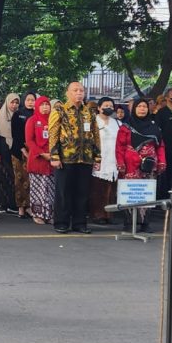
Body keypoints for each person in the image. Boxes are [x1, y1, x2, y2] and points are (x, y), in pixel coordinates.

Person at [49, 82, 100, 234]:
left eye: (81, 90)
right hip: (65, 158)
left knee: (82, 192)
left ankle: (79, 223)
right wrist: (54, 155)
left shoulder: (89, 111)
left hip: (85, 158)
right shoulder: (60, 110)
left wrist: (97, 157)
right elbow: (53, 134)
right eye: (75, 90)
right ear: (68, 93)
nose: (79, 93)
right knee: (64, 192)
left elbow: (95, 135)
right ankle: (61, 222)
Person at [121, 99, 166, 232]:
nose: (142, 109)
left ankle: (145, 223)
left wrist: (162, 162)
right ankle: (129, 223)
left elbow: (160, 146)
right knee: (130, 194)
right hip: (130, 165)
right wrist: (120, 163)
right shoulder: (126, 127)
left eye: (145, 107)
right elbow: (120, 147)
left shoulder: (154, 127)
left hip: (149, 166)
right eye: (139, 106)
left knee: (147, 193)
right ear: (133, 109)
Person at [89, 97, 126, 225]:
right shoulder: (93, 122)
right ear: (99, 108)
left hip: (113, 159)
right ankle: (97, 214)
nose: (108, 108)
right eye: (105, 105)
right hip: (99, 159)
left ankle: (109, 214)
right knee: (98, 189)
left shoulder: (117, 123)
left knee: (111, 189)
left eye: (110, 105)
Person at [25, 96, 54, 225]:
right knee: (38, 190)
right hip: (37, 160)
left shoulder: (54, 121)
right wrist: (42, 153)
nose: (45, 107)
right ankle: (37, 214)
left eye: (47, 104)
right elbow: (29, 141)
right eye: (42, 105)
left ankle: (49, 214)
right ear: (37, 106)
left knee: (51, 189)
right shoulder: (32, 120)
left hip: (52, 161)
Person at [0, 93, 19, 214]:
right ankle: (2, 204)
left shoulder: (18, 116)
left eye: (16, 102)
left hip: (15, 154)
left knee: (14, 180)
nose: (14, 105)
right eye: (12, 102)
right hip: (2, 154)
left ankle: (12, 204)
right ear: (7, 103)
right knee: (2, 179)